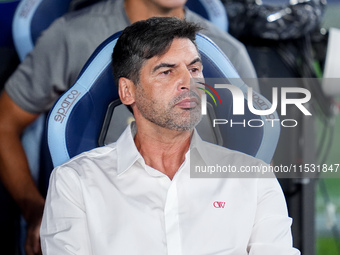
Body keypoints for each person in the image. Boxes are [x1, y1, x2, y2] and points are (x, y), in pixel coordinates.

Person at [0, 1, 259, 254]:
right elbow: (4, 125)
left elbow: (256, 157)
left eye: (194, 68)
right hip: (101, 223)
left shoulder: (229, 53)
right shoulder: (72, 35)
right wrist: (35, 208)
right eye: (166, 72)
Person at [40, 16, 299, 255]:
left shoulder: (254, 178)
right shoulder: (74, 182)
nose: (189, 82)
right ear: (127, 91)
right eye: (167, 71)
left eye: (195, 69)